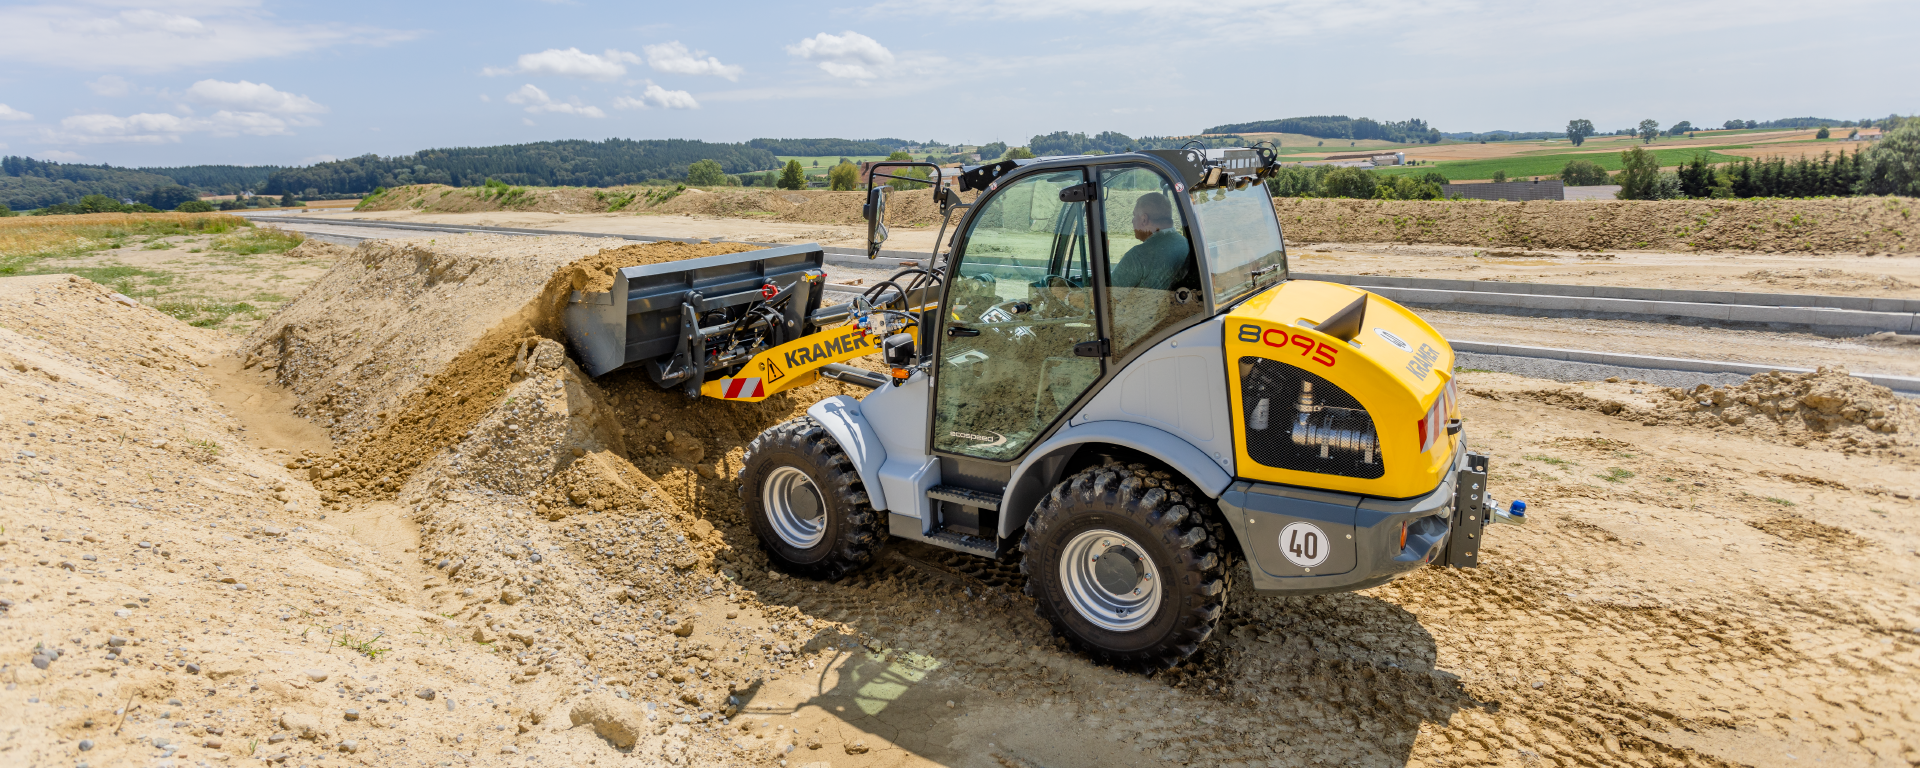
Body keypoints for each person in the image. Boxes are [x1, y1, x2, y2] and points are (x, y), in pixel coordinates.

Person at [1108, 193, 1190, 291]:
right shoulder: (1187, 245)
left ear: (1144, 219)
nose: (1132, 221)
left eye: (1134, 215)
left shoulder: (1137, 257)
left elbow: (1107, 296)